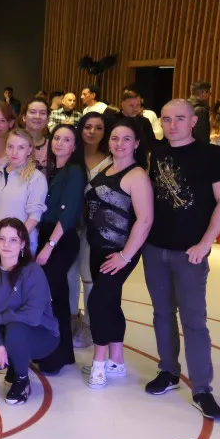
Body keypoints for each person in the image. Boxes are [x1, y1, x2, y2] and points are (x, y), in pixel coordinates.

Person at [143, 99, 220, 419]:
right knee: (162, 314)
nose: (172, 125)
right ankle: (168, 370)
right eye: (166, 119)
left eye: (179, 118)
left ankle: (202, 387)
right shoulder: (158, 154)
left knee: (194, 321)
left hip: (190, 253)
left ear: (194, 121)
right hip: (155, 249)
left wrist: (206, 243)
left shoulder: (213, 155)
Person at [84, 118, 153, 389]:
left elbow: (145, 220)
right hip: (98, 249)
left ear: (136, 143)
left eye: (126, 139)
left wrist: (125, 256)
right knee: (110, 303)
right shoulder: (106, 166)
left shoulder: (137, 176)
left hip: (120, 252)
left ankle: (99, 363)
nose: (120, 143)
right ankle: (117, 360)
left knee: (98, 303)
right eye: (115, 138)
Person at [0, 218, 59, 405]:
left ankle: (22, 380)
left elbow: (32, 316)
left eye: (13, 240)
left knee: (15, 328)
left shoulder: (32, 272)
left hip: (42, 334)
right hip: (9, 332)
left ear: (22, 244)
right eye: (1, 239)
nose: (6, 244)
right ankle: (15, 362)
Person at [32, 123, 86, 375]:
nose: (60, 143)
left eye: (66, 140)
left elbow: (70, 211)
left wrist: (49, 246)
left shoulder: (74, 171)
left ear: (74, 146)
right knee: (53, 294)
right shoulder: (54, 170)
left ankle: (58, 354)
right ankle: (60, 350)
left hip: (60, 239)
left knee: (56, 295)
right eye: (57, 138)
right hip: (46, 235)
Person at [70, 111, 114, 348]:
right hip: (69, 223)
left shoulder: (111, 158)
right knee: (68, 276)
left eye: (98, 127)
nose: (92, 132)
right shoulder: (71, 155)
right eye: (88, 127)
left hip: (96, 227)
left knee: (88, 276)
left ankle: (88, 323)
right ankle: (70, 319)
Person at [0, 129, 47, 261]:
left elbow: (34, 216)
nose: (14, 152)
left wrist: (15, 242)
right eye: (10, 146)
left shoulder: (35, 177)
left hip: (21, 245)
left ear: (29, 150)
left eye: (21, 147)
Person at [21, 97, 51, 174]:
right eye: (32, 112)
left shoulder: (53, 146)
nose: (37, 116)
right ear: (24, 117)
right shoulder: (12, 143)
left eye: (42, 113)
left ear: (47, 119)